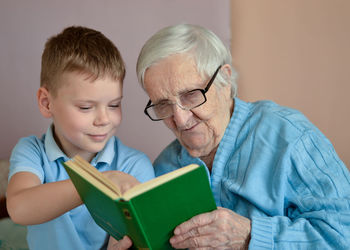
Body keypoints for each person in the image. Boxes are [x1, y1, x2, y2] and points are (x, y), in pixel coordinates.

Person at [134, 24, 350, 249]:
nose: (179, 119)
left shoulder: (291, 138)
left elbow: (343, 234)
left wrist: (250, 236)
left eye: (191, 95)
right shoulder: (163, 169)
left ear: (225, 81)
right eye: (163, 105)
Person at [6, 26, 155, 250]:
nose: (104, 119)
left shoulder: (133, 166)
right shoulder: (32, 151)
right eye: (86, 107)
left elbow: (130, 239)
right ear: (47, 103)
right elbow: (19, 208)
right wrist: (98, 184)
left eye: (114, 105)